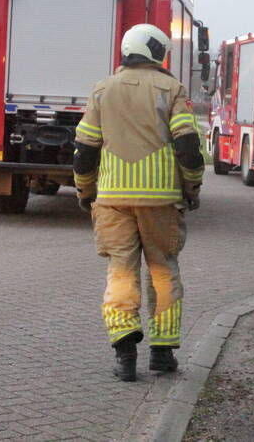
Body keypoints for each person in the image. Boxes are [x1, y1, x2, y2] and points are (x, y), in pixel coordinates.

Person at [72, 23, 205, 382]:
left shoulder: (102, 90)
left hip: (112, 200)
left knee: (121, 271)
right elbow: (188, 147)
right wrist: (192, 186)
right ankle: (162, 352)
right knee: (163, 270)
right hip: (161, 201)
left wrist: (85, 191)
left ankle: (125, 353)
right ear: (156, 52)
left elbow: (85, 150)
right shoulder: (172, 89)